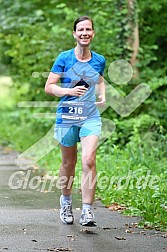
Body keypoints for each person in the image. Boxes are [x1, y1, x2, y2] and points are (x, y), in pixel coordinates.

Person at [45, 16, 106, 226]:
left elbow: (99, 78)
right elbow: (49, 86)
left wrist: (102, 94)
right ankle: (66, 201)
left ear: (93, 33)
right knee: (68, 162)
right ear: (74, 34)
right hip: (67, 116)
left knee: (89, 159)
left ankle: (88, 211)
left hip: (90, 116)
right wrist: (68, 90)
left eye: (88, 29)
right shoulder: (64, 58)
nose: (84, 33)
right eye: (80, 29)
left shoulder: (99, 59)